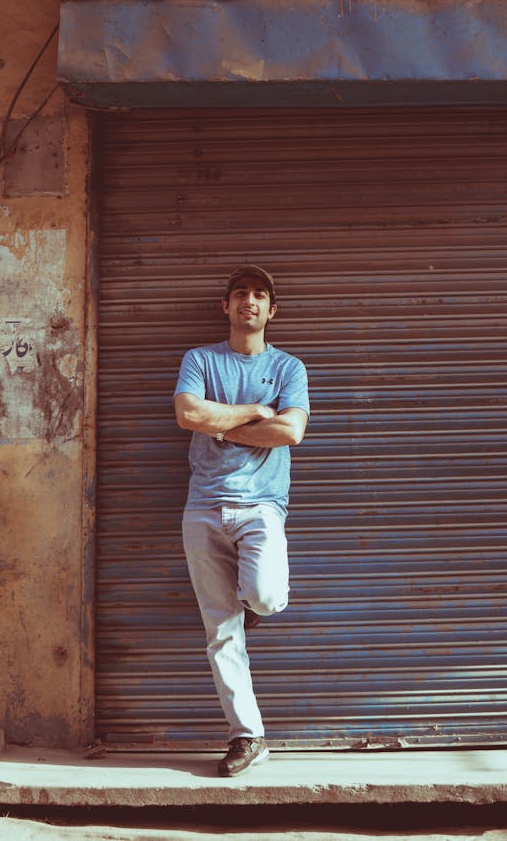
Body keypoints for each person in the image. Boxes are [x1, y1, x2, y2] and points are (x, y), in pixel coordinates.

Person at [173, 264, 310, 777]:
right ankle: (247, 736)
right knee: (221, 631)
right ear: (225, 307)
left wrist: (222, 426)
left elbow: (291, 431)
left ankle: (252, 605)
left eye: (258, 295)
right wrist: (253, 410)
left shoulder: (290, 368)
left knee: (267, 595)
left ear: (271, 310)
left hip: (261, 506)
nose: (247, 301)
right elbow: (188, 415)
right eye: (238, 294)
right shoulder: (200, 359)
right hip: (203, 506)